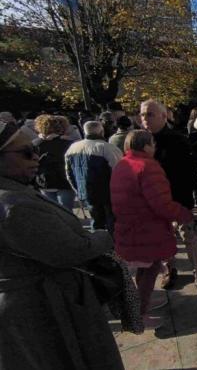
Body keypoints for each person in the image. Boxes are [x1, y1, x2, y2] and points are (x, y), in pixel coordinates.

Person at [0, 120, 124, 369]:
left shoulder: (17, 193)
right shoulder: (14, 205)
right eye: (27, 152)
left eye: (35, 149)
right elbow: (71, 250)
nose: (36, 157)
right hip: (43, 309)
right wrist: (103, 237)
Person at [111, 130, 193, 327]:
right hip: (147, 227)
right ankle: (139, 313)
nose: (155, 147)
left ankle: (141, 303)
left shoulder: (122, 163)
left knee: (143, 267)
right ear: (146, 145)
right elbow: (161, 203)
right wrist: (182, 213)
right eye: (153, 144)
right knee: (150, 270)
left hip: (129, 225)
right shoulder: (148, 166)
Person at [140, 99, 197, 289]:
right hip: (153, 202)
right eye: (143, 114)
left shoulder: (177, 140)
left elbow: (190, 170)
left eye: (150, 114)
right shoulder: (139, 141)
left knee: (188, 236)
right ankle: (169, 269)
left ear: (162, 116)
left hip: (178, 198)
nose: (145, 119)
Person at [65, 121, 123, 232]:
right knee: (112, 222)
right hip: (107, 193)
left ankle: (101, 246)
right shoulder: (107, 148)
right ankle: (112, 245)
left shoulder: (72, 148)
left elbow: (69, 173)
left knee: (96, 222)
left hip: (86, 191)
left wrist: (78, 190)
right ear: (102, 131)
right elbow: (119, 172)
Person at [33, 115, 76, 210]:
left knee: (52, 211)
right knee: (67, 211)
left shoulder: (35, 144)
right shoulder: (68, 143)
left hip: (45, 180)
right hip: (65, 181)